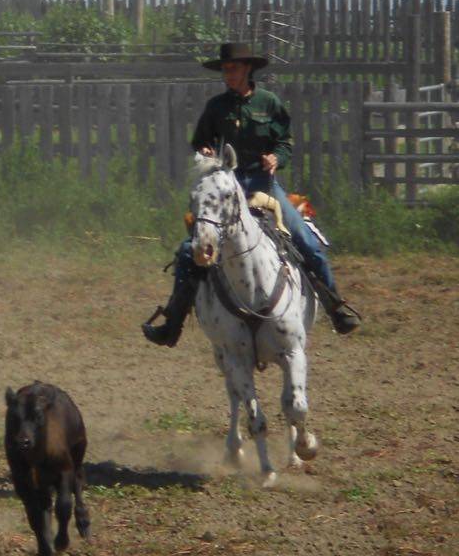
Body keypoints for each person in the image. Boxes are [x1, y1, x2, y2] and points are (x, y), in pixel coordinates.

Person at [142, 42, 362, 347]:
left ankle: (335, 307)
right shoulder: (216, 107)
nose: (227, 74)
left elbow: (285, 142)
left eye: (232, 68)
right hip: (227, 189)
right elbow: (200, 142)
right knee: (188, 251)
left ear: (247, 69)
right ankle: (173, 322)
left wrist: (276, 158)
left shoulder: (269, 103)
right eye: (225, 69)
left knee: (306, 241)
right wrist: (205, 150)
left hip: (263, 187)